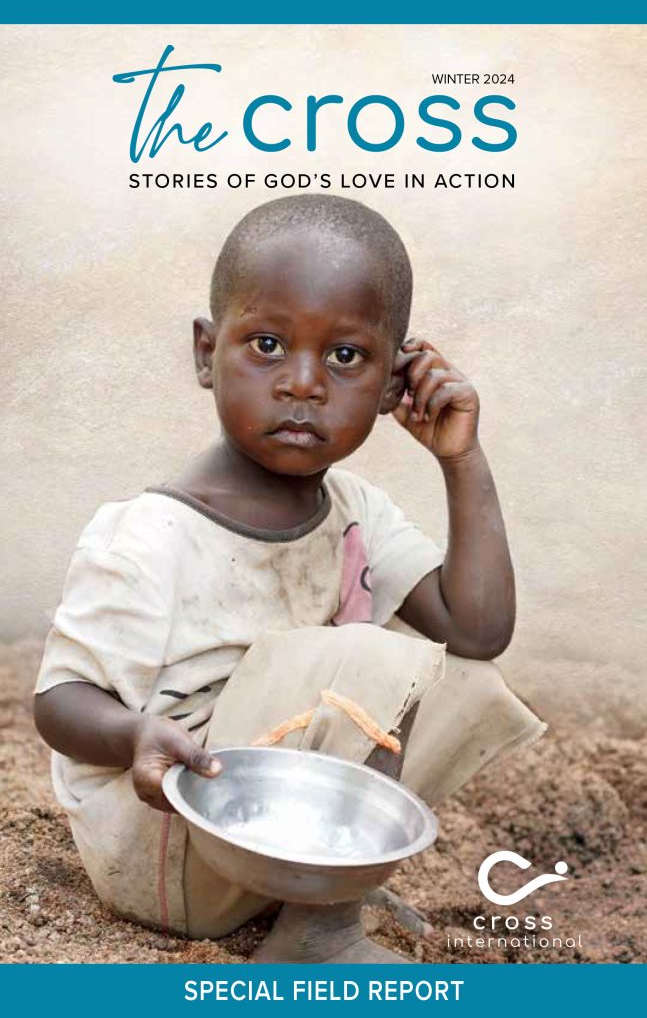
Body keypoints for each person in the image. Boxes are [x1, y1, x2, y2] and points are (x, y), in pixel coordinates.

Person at [34, 194, 545, 963]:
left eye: (344, 357)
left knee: (461, 679)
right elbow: (58, 702)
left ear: (390, 385)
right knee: (374, 657)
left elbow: (477, 631)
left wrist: (459, 458)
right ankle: (318, 930)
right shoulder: (151, 533)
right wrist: (136, 733)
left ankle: (318, 891)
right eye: (267, 344)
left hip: (265, 841)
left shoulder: (354, 508)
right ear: (207, 353)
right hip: (165, 842)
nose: (302, 383)